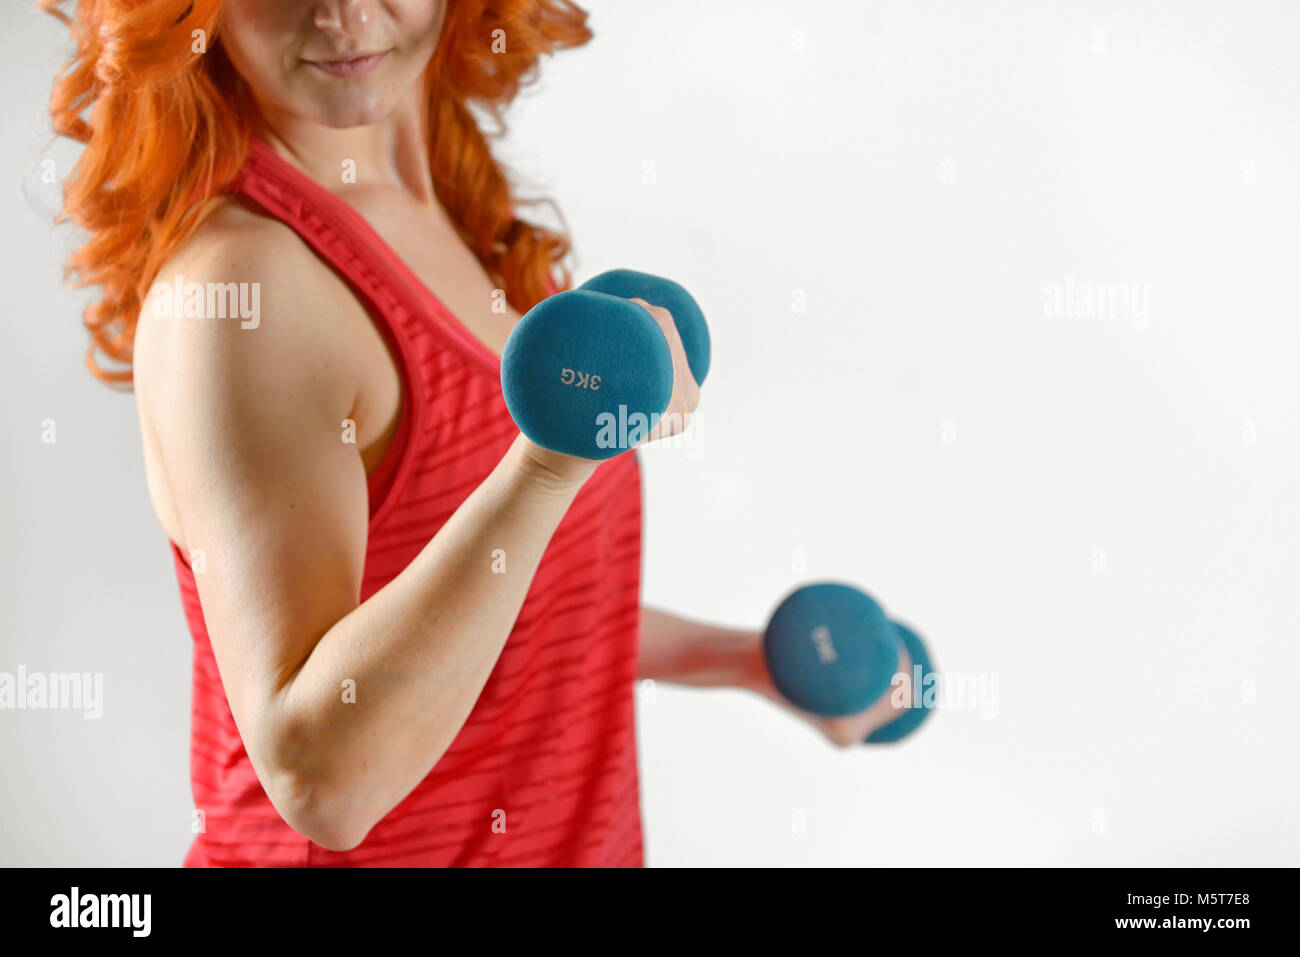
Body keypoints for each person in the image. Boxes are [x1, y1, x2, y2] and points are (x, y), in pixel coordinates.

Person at [44, 0, 911, 866]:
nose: (344, 15)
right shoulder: (245, 291)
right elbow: (322, 782)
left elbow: (516, 609)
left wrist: (747, 661)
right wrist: (549, 463)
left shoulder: (456, 216)